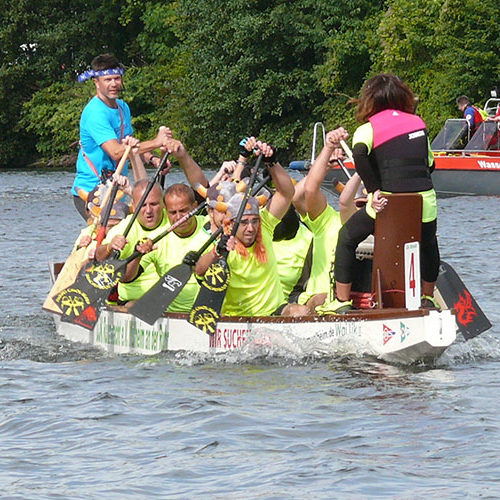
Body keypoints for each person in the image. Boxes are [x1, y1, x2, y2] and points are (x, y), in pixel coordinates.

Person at [331, 73, 440, 312]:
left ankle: (341, 303)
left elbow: (359, 155)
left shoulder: (367, 129)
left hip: (386, 204)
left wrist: (374, 190)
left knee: (347, 238)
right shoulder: (418, 123)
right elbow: (430, 165)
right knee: (429, 242)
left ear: (369, 101)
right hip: (424, 203)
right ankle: (427, 298)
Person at [194, 143, 310, 317]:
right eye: (244, 223)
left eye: (255, 221)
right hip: (234, 320)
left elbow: (287, 192)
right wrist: (216, 253)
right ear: (231, 223)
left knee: (300, 312)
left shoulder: (266, 228)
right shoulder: (223, 244)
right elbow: (199, 270)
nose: (251, 228)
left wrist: (272, 163)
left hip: (274, 312)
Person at [72, 53, 171, 219]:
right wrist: (156, 141)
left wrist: (152, 159)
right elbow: (117, 152)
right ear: (96, 82)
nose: (114, 84)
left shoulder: (123, 107)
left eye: (117, 79)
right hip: (92, 191)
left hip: (118, 188)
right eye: (108, 80)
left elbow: (130, 145)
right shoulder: (95, 113)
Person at [121, 184, 212, 313]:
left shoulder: (210, 227)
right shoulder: (156, 239)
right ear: (165, 210)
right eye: (173, 212)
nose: (179, 217)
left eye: (184, 211)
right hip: (170, 313)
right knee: (130, 306)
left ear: (195, 206)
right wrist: (138, 254)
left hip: (206, 311)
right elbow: (127, 278)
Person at [95, 180, 169, 303]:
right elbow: (98, 258)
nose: (148, 211)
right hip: (132, 300)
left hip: (171, 300)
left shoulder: (176, 219)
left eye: (154, 204)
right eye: (143, 205)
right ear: (133, 206)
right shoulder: (122, 229)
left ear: (163, 204)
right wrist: (109, 247)